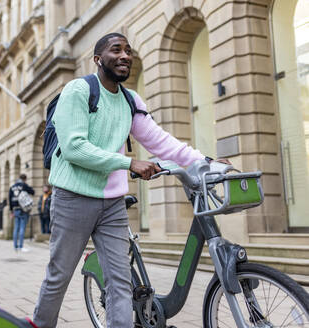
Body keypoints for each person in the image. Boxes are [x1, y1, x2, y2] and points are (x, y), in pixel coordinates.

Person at [31, 33, 230, 328]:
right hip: (73, 198)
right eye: (116, 50)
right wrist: (129, 162)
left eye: (128, 50)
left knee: (119, 282)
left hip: (111, 204)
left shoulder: (130, 100)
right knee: (59, 275)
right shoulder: (78, 90)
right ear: (98, 59)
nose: (125, 55)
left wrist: (203, 161)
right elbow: (74, 148)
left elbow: (159, 140)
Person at [8, 174, 35, 252]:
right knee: (22, 227)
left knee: (16, 228)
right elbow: (32, 192)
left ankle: (15, 246)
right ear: (25, 179)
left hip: (15, 209)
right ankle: (21, 246)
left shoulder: (12, 187)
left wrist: (11, 211)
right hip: (23, 209)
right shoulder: (24, 185)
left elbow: (9, 200)